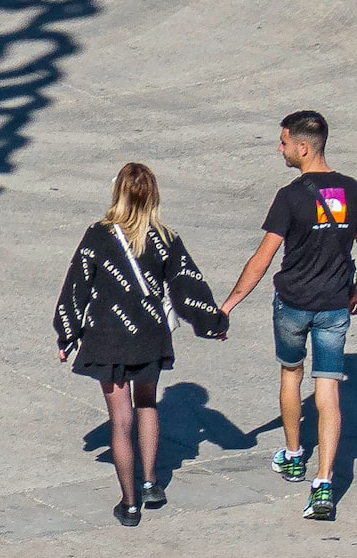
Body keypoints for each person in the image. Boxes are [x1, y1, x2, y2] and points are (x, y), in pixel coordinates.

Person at [217, 110, 357, 521]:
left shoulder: (290, 196)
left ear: (303, 147)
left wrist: (230, 304)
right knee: (328, 390)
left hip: (292, 304)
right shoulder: (352, 190)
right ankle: (324, 482)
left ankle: (292, 456)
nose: (280, 148)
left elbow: (262, 259)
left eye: (284, 142)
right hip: (333, 306)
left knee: (292, 374)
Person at [54, 163, 230, 526]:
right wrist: (213, 323)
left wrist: (66, 334)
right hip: (149, 336)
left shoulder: (98, 235)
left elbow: (77, 286)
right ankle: (151, 483)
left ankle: (129, 504)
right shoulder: (165, 237)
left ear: (118, 191)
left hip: (108, 338)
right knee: (147, 403)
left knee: (120, 418)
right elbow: (188, 287)